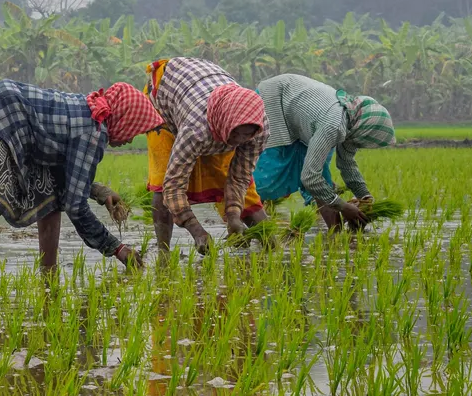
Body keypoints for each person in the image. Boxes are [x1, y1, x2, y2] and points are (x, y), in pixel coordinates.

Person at [0, 80, 161, 272]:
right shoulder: (94, 131)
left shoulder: (91, 115)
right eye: (134, 129)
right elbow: (76, 207)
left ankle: (49, 276)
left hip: (10, 124)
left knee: (50, 200)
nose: (131, 139)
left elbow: (68, 176)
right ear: (125, 118)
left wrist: (99, 191)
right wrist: (117, 249)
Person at [143, 57, 269, 254]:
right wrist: (197, 231)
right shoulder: (195, 130)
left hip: (209, 96)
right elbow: (173, 186)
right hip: (165, 98)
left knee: (239, 182)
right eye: (236, 133)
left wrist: (233, 216)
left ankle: (269, 245)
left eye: (246, 135)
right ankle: (163, 252)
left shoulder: (258, 130)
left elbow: (239, 178)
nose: (239, 141)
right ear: (226, 124)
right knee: (162, 180)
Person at [254, 73, 395, 230]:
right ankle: (240, 217)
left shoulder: (352, 124)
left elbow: (347, 165)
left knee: (322, 179)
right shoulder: (333, 126)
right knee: (271, 175)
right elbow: (310, 178)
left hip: (301, 116)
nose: (362, 145)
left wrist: (365, 197)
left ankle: (335, 233)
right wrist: (344, 207)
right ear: (366, 130)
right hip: (275, 99)